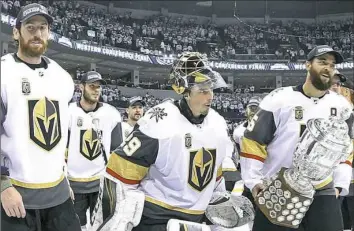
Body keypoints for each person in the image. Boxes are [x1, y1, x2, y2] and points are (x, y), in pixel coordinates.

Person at [89, 52, 254, 231]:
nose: (210, 96)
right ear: (185, 91)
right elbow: (118, 173)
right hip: (156, 218)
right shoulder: (158, 121)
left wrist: (220, 200)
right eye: (203, 90)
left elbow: (216, 174)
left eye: (211, 89)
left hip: (197, 220)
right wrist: (117, 221)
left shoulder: (218, 123)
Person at [240, 45, 354, 231]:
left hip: (322, 188)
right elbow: (253, 141)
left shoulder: (341, 105)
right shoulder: (278, 99)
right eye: (322, 62)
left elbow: (347, 148)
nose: (328, 68)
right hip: (280, 185)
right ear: (307, 65)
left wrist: (339, 185)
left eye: (332, 65)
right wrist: (253, 181)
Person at [0, 3, 81, 231]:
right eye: (30, 27)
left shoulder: (63, 77)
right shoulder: (4, 73)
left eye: (43, 28)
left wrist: (63, 178)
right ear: (16, 32)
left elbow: (58, 135)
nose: (37, 33)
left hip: (58, 193)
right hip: (16, 194)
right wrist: (3, 187)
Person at [65, 71, 123, 230]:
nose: (96, 90)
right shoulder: (68, 112)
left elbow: (117, 151)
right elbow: (61, 149)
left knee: (103, 226)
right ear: (81, 87)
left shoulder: (111, 114)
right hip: (73, 183)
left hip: (101, 183)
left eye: (98, 87)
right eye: (92, 86)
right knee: (77, 226)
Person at [331, 70, 354, 231]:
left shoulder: (347, 112)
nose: (336, 87)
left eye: (338, 84)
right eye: (332, 83)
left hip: (338, 170)